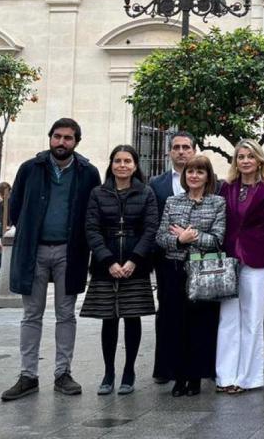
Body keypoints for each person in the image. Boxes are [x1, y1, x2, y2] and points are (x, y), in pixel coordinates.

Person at [1, 118, 102, 401]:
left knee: (66, 314)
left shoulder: (88, 172)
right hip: (34, 251)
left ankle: (63, 373)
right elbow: (17, 207)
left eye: (68, 138)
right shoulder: (30, 169)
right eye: (57, 137)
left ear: (76, 142)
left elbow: (92, 212)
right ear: (50, 138)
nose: (61, 142)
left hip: (70, 253)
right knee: (31, 315)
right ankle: (27, 375)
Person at [81, 145, 159, 396]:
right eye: (118, 161)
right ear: (111, 164)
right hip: (107, 265)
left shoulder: (146, 193)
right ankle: (108, 372)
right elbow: (91, 229)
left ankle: (129, 371)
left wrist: (135, 260)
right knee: (109, 319)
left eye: (127, 161)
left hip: (135, 265)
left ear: (135, 165)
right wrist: (109, 261)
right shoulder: (98, 193)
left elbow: (151, 228)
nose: (122, 165)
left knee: (132, 317)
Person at [216, 139, 264, 394]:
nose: (245, 160)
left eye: (250, 156)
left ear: (259, 161)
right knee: (228, 319)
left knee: (253, 320)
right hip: (230, 259)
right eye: (240, 156)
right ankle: (225, 376)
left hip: (258, 261)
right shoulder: (226, 188)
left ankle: (248, 378)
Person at [155, 154, 226, 397]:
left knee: (201, 326)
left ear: (208, 177)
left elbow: (217, 239)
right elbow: (161, 238)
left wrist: (190, 235)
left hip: (203, 271)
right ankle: (179, 377)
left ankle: (195, 376)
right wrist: (178, 239)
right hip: (175, 270)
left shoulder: (217, 203)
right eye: (190, 172)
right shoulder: (173, 202)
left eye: (199, 172)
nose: (194, 176)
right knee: (175, 325)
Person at [149, 131, 196, 385]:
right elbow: (153, 221)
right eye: (176, 147)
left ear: (194, 150)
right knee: (167, 312)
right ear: (169, 152)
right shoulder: (157, 184)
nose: (181, 151)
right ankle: (164, 367)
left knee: (197, 313)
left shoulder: (211, 182)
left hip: (199, 259)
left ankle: (196, 365)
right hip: (167, 258)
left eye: (186, 147)